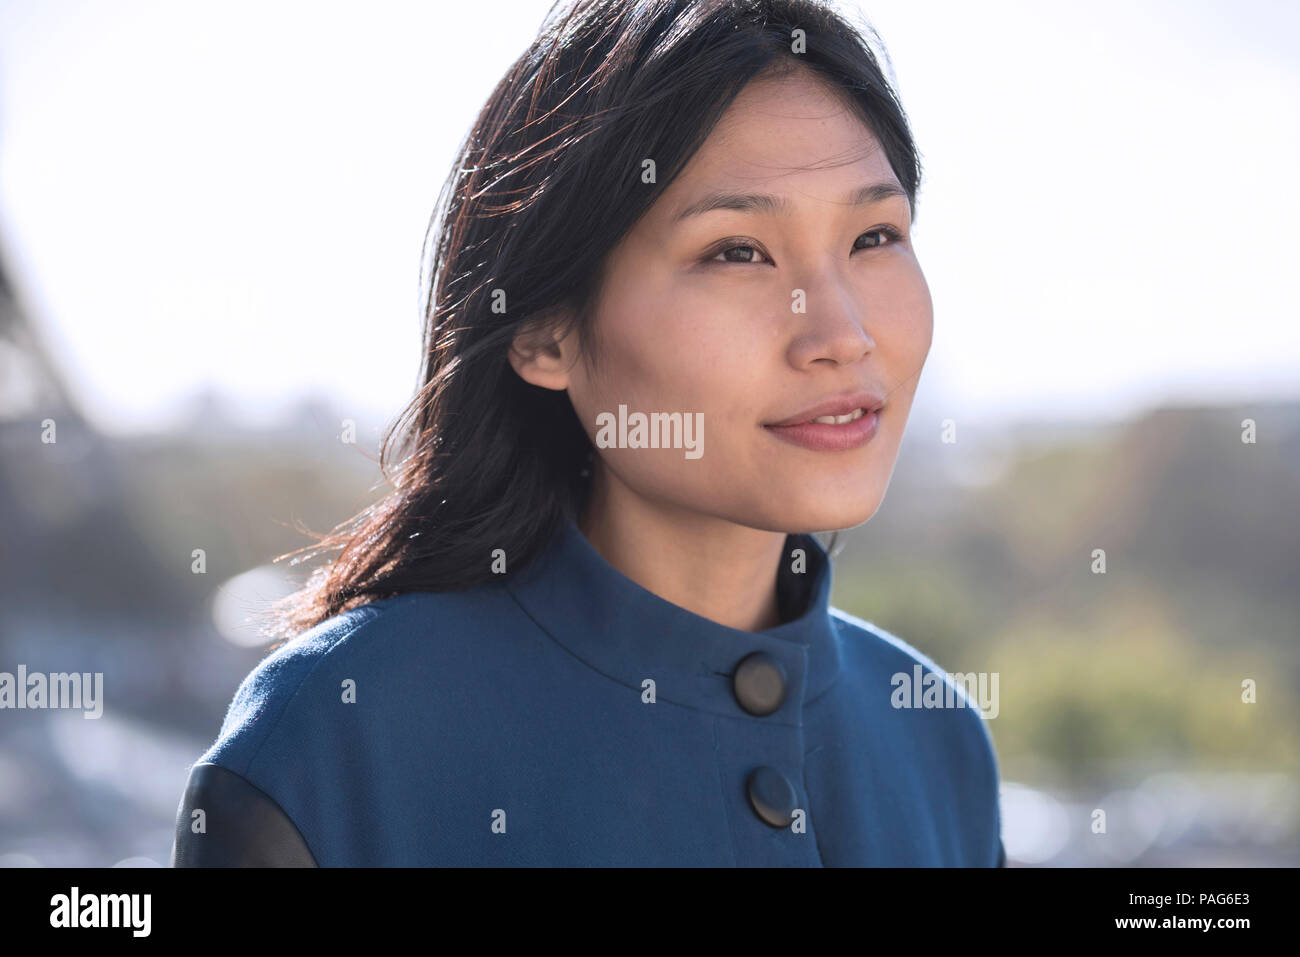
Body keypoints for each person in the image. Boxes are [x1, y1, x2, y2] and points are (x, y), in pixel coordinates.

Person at [171, 0, 1006, 867]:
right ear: (543, 332)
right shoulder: (334, 741)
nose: (840, 333)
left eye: (874, 236)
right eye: (737, 252)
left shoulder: (934, 735)